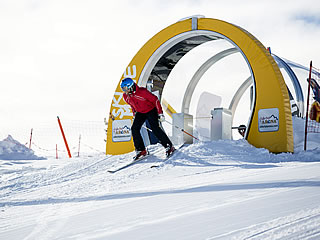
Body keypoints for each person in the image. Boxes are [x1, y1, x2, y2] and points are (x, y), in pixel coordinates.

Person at [121, 77, 175, 160]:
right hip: (140, 112)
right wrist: (134, 113)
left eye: (125, 89)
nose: (125, 91)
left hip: (151, 110)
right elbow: (132, 105)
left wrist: (160, 113)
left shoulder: (142, 92)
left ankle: (169, 146)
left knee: (155, 128)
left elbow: (155, 100)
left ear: (131, 86)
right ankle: (141, 150)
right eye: (123, 89)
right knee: (134, 129)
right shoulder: (125, 96)